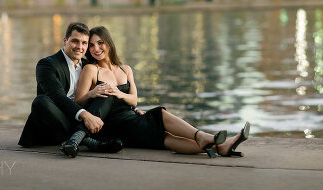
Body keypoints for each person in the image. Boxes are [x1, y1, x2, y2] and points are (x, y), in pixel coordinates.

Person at [63, 25, 249, 158]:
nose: (96, 49)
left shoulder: (125, 69)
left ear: (109, 43)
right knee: (160, 113)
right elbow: (77, 101)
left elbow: (134, 100)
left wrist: (120, 95)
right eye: (92, 45)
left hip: (132, 117)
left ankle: (220, 148)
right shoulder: (91, 70)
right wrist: (92, 93)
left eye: (100, 43)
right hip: (113, 124)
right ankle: (203, 136)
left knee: (166, 139)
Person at [18, 22, 122, 154]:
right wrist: (85, 115)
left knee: (104, 90)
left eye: (84, 43)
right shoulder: (46, 65)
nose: (80, 47)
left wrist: (133, 108)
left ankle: (76, 138)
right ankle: (88, 141)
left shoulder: (87, 65)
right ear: (65, 41)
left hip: (79, 122)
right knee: (41, 102)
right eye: (75, 41)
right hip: (55, 121)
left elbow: (111, 87)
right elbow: (58, 97)